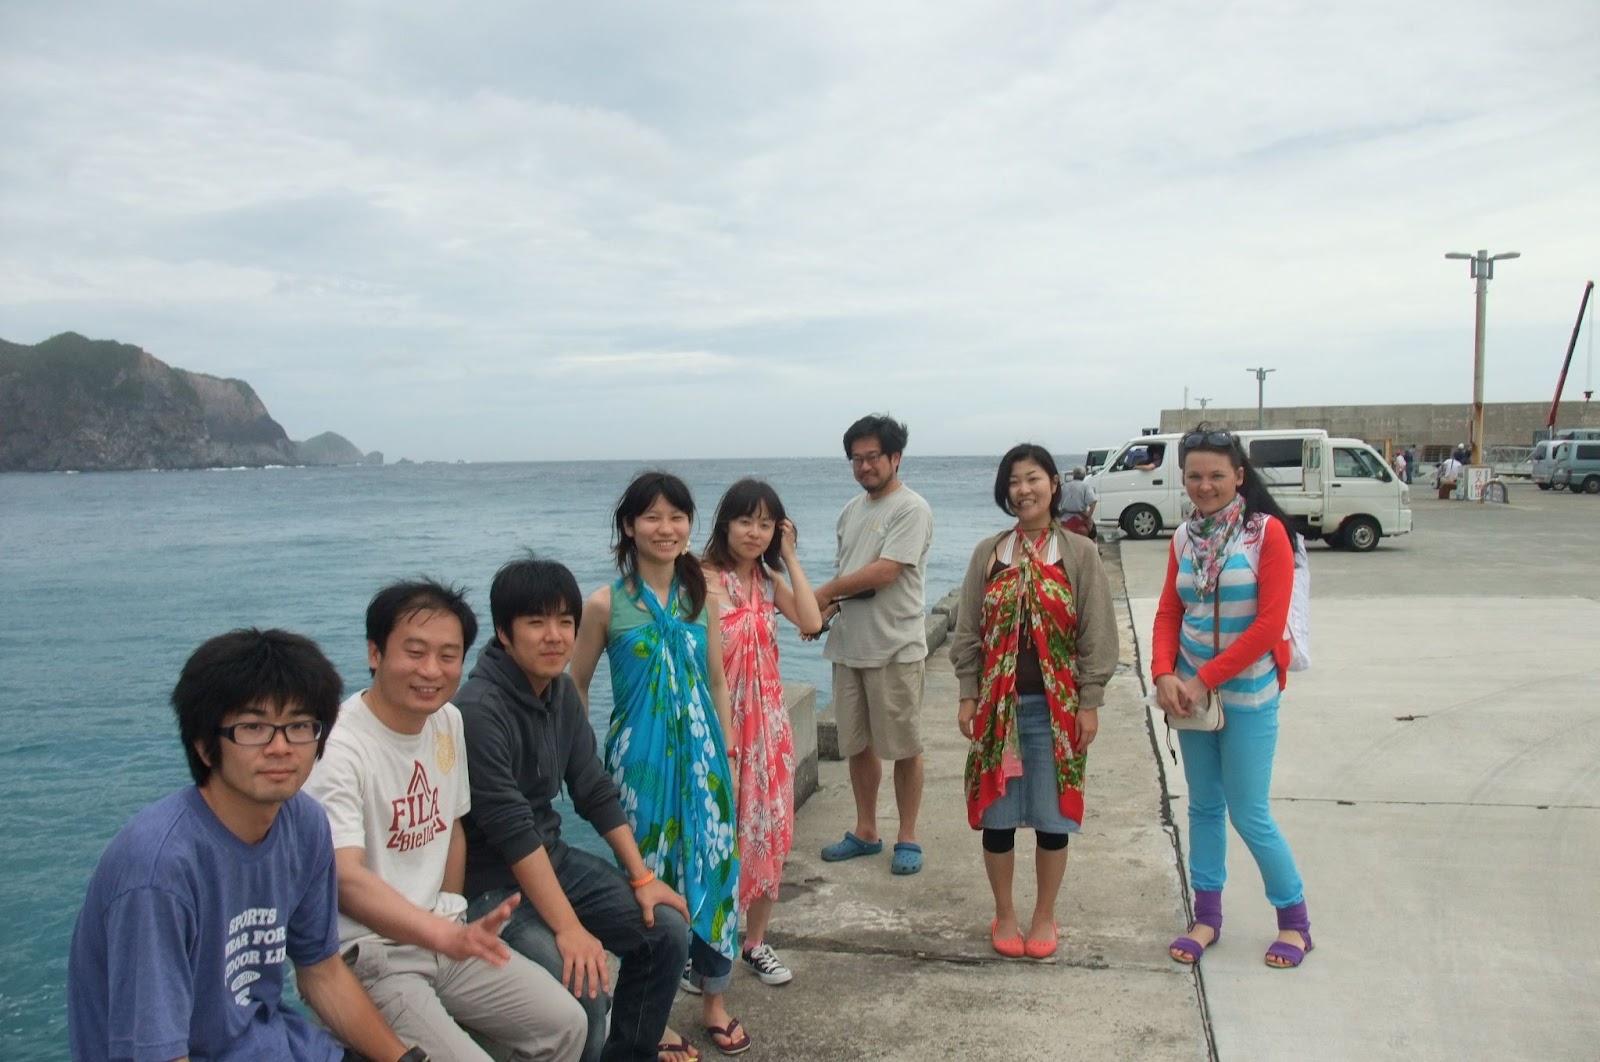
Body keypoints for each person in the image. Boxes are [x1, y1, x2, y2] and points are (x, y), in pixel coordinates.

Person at [68, 629, 421, 1062]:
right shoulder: (159, 868)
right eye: (253, 728)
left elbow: (322, 972)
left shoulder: (304, 823)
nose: (280, 748)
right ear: (204, 746)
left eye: (299, 726)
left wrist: (402, 1059)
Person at [303, 580, 586, 1062]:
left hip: (444, 939)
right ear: (375, 652)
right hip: (373, 955)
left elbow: (452, 828)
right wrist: (440, 933)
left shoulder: (446, 721)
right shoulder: (339, 748)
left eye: (448, 655)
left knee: (567, 1024)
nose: (432, 670)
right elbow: (344, 879)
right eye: (415, 652)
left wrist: (450, 916)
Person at [455, 555, 695, 1062]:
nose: (555, 637)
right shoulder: (479, 710)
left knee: (666, 931)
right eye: (536, 622)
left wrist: (641, 876)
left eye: (565, 622)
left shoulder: (559, 691)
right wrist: (569, 929)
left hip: (552, 860)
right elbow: (513, 831)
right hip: (492, 888)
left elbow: (592, 788)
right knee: (582, 988)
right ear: (504, 632)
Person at [570, 475, 746, 1058]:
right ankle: (655, 1015)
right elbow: (576, 685)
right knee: (647, 883)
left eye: (677, 517)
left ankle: (715, 1001)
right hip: (638, 768)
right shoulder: (604, 605)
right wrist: (578, 761)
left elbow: (717, 683)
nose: (665, 528)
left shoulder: (703, 600)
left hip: (704, 762)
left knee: (716, 875)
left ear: (690, 525)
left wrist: (728, 758)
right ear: (629, 527)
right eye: (651, 516)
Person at [1151, 427, 1314, 970]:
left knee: (1249, 812)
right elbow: (1170, 612)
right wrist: (1163, 674)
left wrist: (1204, 679)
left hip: (1247, 696)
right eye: (1194, 475)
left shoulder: (1267, 534)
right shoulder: (1183, 537)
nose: (1205, 485)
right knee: (1202, 806)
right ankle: (1207, 917)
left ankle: (1294, 922)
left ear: (1239, 476)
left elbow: (1268, 626)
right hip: (1191, 699)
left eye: (1217, 475)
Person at [951, 444, 1119, 960]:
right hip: (998, 709)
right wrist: (968, 693)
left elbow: (1097, 633)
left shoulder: (1079, 553)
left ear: (1053, 484)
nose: (1023, 490)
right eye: (1013, 481)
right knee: (997, 818)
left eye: (1033, 479)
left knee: (1052, 817)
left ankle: (1044, 913)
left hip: (1055, 710)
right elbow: (968, 630)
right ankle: (1004, 912)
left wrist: (1089, 700)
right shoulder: (989, 552)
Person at [700, 478, 824, 987]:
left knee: (769, 831)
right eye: (745, 520)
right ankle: (704, 947)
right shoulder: (700, 579)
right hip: (717, 723)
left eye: (766, 523)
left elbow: (812, 620)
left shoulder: (768, 582)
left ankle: (754, 943)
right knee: (713, 834)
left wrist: (789, 557)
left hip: (768, 726)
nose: (754, 532)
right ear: (725, 523)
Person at [811, 414, 934, 876]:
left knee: (904, 746)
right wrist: (823, 614)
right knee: (857, 745)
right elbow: (848, 578)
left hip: (895, 648)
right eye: (856, 459)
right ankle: (865, 830)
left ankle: (908, 835)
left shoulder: (911, 508)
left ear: (895, 457)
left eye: (873, 457)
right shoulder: (850, 511)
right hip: (849, 648)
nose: (864, 466)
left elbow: (885, 572)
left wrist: (823, 592)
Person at [1059, 465, 1097, 539]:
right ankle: (1094, 545)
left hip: (1065, 520)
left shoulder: (1064, 486)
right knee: (1093, 534)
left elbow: (1056, 501)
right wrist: (1088, 514)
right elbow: (1093, 501)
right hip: (1080, 519)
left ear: (1073, 475)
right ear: (1084, 476)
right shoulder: (1086, 486)